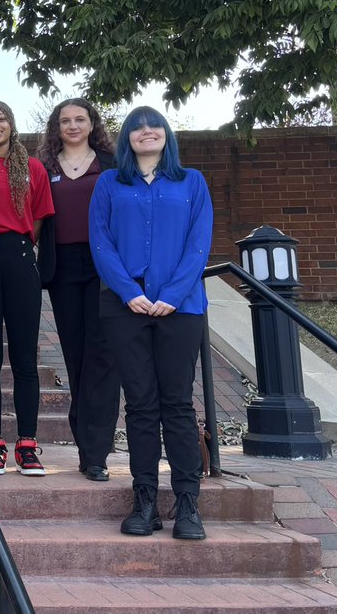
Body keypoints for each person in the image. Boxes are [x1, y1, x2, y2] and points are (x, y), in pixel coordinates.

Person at [90, 106, 213, 540]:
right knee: (140, 405)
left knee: (177, 404)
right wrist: (129, 292)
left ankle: (188, 504)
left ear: (166, 134)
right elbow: (100, 242)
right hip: (125, 307)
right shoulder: (110, 183)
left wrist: (173, 295)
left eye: (154, 125)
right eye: (137, 127)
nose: (146, 131)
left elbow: (199, 244)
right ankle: (144, 501)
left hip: (181, 308)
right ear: (127, 137)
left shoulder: (191, 182)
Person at [0, 100, 54, 477]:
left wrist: (21, 247)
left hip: (20, 261)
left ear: (11, 123)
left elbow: (38, 221)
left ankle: (28, 445)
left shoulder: (33, 168)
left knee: (24, 359)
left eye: (0, 118)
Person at [36, 98, 119, 482]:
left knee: (102, 356)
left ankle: (97, 453)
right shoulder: (44, 167)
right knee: (76, 356)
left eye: (79, 119)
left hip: (106, 268)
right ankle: (86, 443)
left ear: (91, 124)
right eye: (65, 120)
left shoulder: (112, 164)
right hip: (63, 267)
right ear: (57, 127)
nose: (72, 125)